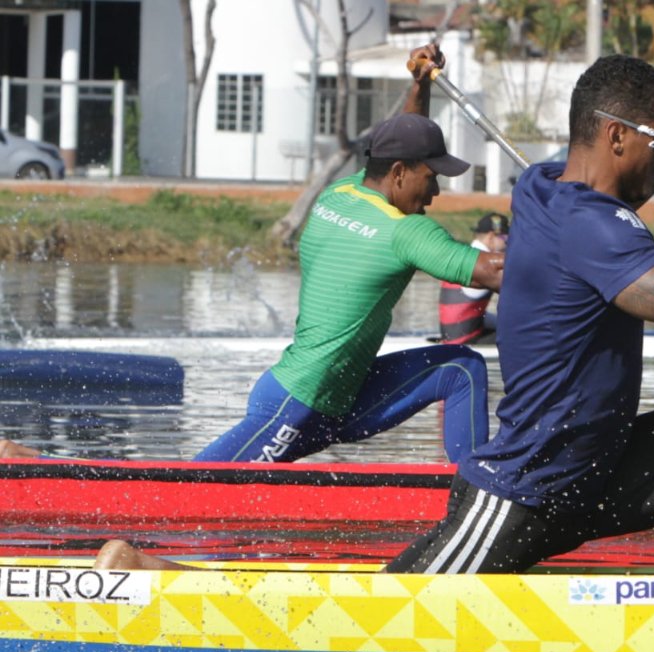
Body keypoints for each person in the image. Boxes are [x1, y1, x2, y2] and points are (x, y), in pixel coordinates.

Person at [94, 2, 654, 574]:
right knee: (389, 616)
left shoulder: (551, 182)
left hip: (604, 466)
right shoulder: (586, 223)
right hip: (528, 488)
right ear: (615, 138)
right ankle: (157, 571)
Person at [0, 49, 498, 467]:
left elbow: (401, 140)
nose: (435, 190)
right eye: (431, 176)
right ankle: (37, 466)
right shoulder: (406, 232)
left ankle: (466, 493)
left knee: (460, 369)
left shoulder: (341, 194)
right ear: (398, 175)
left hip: (345, 401)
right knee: (191, 492)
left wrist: (417, 86)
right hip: (296, 404)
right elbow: (494, 273)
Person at [437, 212, 508, 344]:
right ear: (491, 237)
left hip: (452, 336)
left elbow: (474, 312)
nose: (508, 242)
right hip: (465, 341)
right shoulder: (485, 267)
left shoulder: (466, 256)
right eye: (505, 238)